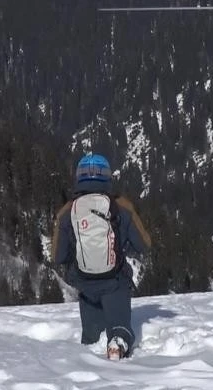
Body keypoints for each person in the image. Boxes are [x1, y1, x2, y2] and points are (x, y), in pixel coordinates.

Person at [51, 154, 152, 359]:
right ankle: (118, 342)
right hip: (115, 281)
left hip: (84, 283)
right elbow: (144, 244)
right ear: (107, 178)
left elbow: (58, 256)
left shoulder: (67, 211)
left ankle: (89, 354)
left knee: (91, 336)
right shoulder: (121, 207)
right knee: (119, 327)